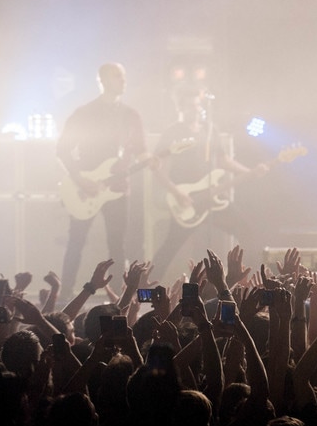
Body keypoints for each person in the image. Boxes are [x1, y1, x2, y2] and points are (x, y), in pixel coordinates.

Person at [151, 86, 268, 280]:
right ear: (181, 108)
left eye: (197, 105)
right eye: (190, 106)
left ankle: (252, 282)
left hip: (212, 198)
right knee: (170, 247)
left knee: (247, 231)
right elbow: (158, 168)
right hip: (188, 200)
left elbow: (223, 161)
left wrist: (249, 172)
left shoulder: (210, 129)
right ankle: (143, 289)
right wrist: (177, 193)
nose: (195, 110)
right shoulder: (172, 133)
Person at [56, 62, 151, 296]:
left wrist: (153, 159)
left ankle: (119, 295)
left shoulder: (131, 116)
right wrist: (80, 179)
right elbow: (63, 149)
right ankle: (65, 293)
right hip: (86, 186)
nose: (123, 80)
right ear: (103, 80)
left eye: (124, 76)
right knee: (76, 241)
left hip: (117, 188)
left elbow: (141, 151)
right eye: (118, 76)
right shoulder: (84, 113)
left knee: (117, 244)